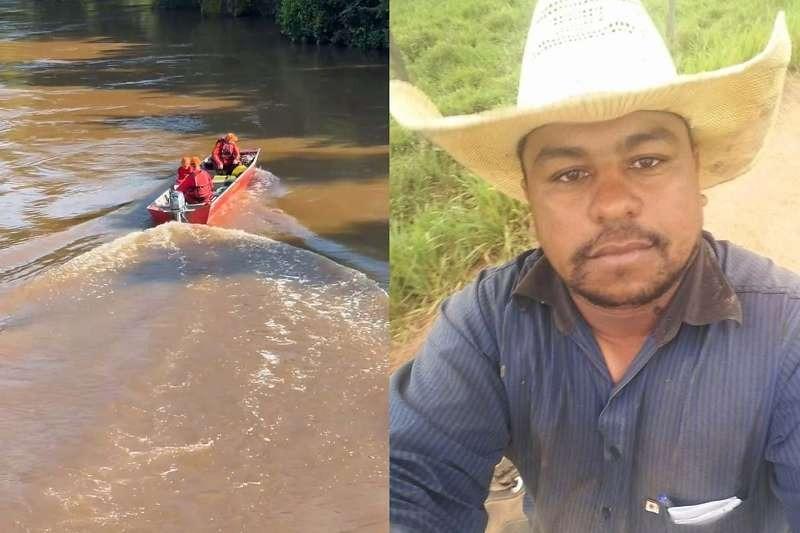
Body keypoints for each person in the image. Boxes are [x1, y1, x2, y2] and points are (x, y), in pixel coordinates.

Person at [389, 1, 797, 532]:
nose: (612, 203)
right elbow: (411, 482)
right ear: (528, 196)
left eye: (646, 162)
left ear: (696, 171)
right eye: (569, 173)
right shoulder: (485, 328)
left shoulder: (786, 333)